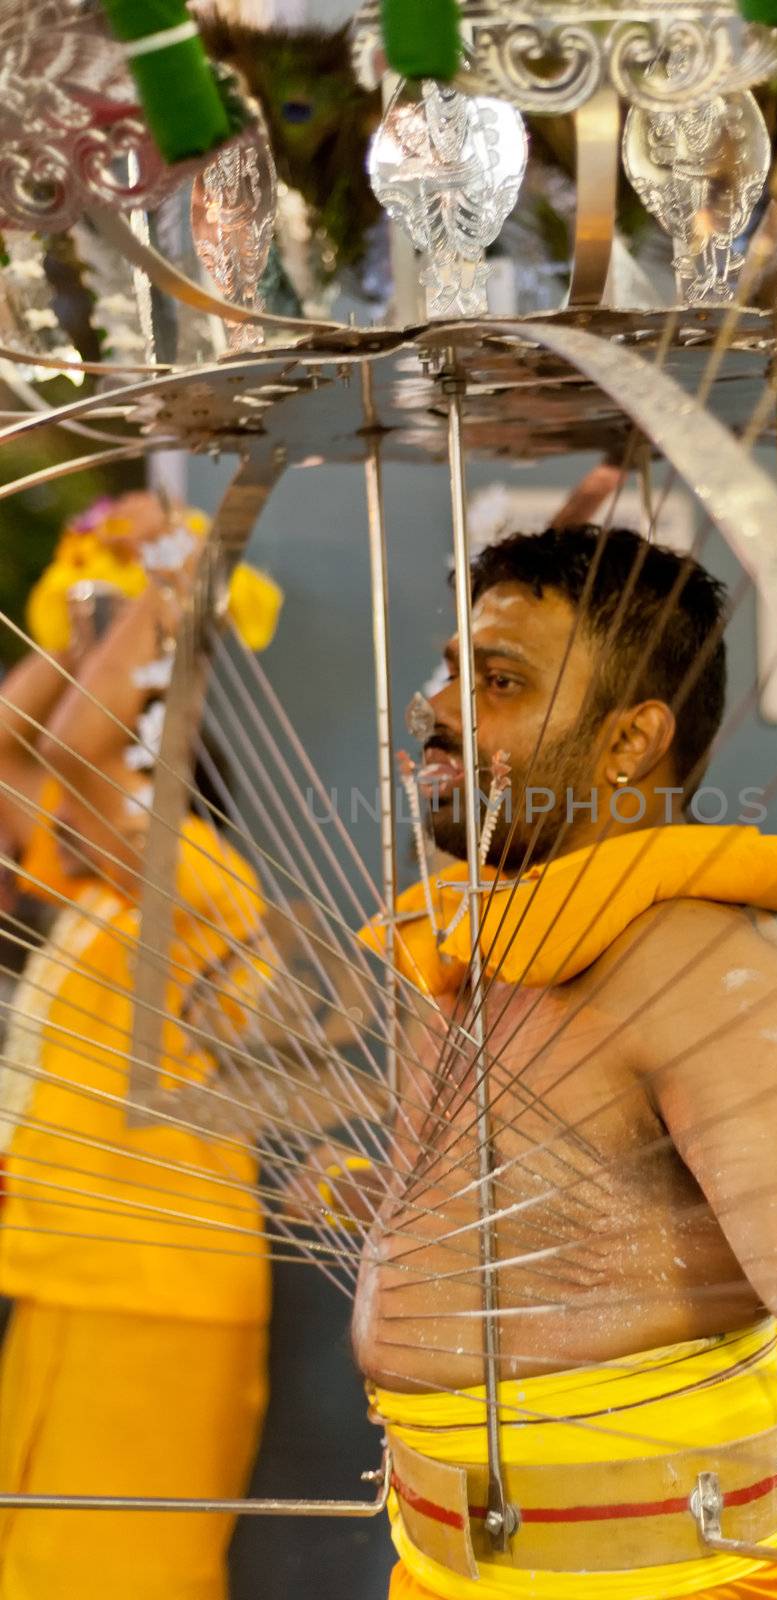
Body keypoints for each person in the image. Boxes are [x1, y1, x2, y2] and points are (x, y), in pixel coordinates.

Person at [343, 525, 777, 1600]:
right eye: (452, 668)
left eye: (498, 680)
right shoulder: (475, 935)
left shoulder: (701, 963)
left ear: (630, 740)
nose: (441, 709)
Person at [0, 494, 271, 1600]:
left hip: (150, 1293)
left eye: (106, 793)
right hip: (85, 1277)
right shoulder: (102, 897)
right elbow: (24, 750)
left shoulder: (197, 882)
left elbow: (66, 747)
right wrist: (79, 610)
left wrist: (180, 574)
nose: (58, 812)